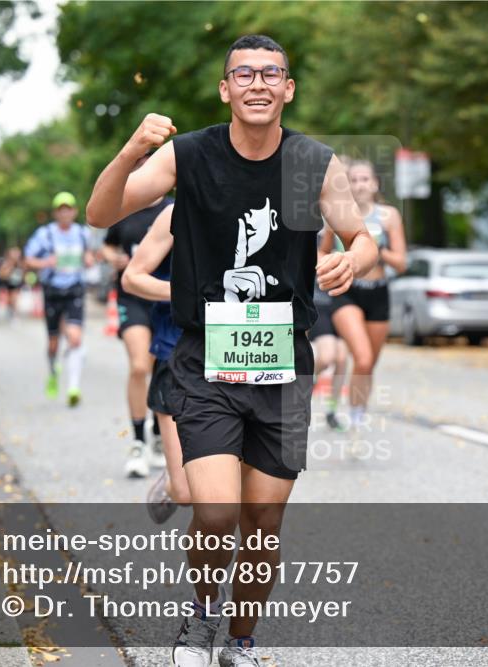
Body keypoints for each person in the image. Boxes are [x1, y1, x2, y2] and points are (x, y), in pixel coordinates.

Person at [86, 34, 377, 667]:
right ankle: (199, 618)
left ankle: (240, 642)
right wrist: (135, 147)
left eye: (271, 73)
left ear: (287, 89)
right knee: (216, 513)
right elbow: (99, 211)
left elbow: (362, 237)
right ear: (225, 90)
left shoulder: (313, 163)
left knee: (263, 524)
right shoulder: (187, 156)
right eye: (243, 73)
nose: (257, 83)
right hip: (205, 357)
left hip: (284, 363)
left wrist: (352, 260)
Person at [320, 159, 406, 446]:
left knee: (368, 365)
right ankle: (353, 419)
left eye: (364, 179)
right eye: (353, 180)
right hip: (348, 291)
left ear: (375, 184)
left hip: (378, 292)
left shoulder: (389, 216)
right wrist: (332, 266)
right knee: (363, 356)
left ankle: (358, 411)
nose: (359, 185)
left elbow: (402, 263)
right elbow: (321, 254)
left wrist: (377, 250)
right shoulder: (339, 212)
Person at [101, 149, 173, 479]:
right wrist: (112, 257)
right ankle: (138, 441)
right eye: (139, 165)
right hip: (132, 295)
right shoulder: (124, 209)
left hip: (167, 298)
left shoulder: (173, 210)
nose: (144, 170)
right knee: (139, 364)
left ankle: (160, 438)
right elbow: (107, 243)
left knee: (161, 366)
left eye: (149, 165)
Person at [121, 204, 193, 525]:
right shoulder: (176, 214)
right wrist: (189, 293)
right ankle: (169, 477)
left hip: (238, 357)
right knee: (187, 492)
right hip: (175, 350)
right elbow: (132, 277)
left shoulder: (260, 208)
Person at [24, 192, 96, 407]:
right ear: (55, 213)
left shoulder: (83, 234)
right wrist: (46, 262)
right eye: (60, 209)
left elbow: (92, 256)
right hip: (53, 291)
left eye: (69, 208)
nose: (65, 213)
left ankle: (73, 387)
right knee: (54, 343)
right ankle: (53, 370)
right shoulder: (44, 234)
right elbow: (28, 260)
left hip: (74, 290)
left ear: (74, 211)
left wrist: (89, 259)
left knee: (75, 338)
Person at [309, 228, 350, 431]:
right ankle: (306, 379)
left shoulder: (342, 244)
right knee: (326, 357)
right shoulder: (313, 241)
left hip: (338, 307)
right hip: (319, 308)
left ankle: (331, 411)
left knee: (342, 359)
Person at [0, 247, 24, 320]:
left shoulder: (20, 263)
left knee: (14, 298)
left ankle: (14, 313)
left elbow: (24, 271)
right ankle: (11, 310)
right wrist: (10, 269)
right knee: (10, 298)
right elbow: (1, 273)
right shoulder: (7, 263)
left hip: (17, 283)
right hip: (9, 282)